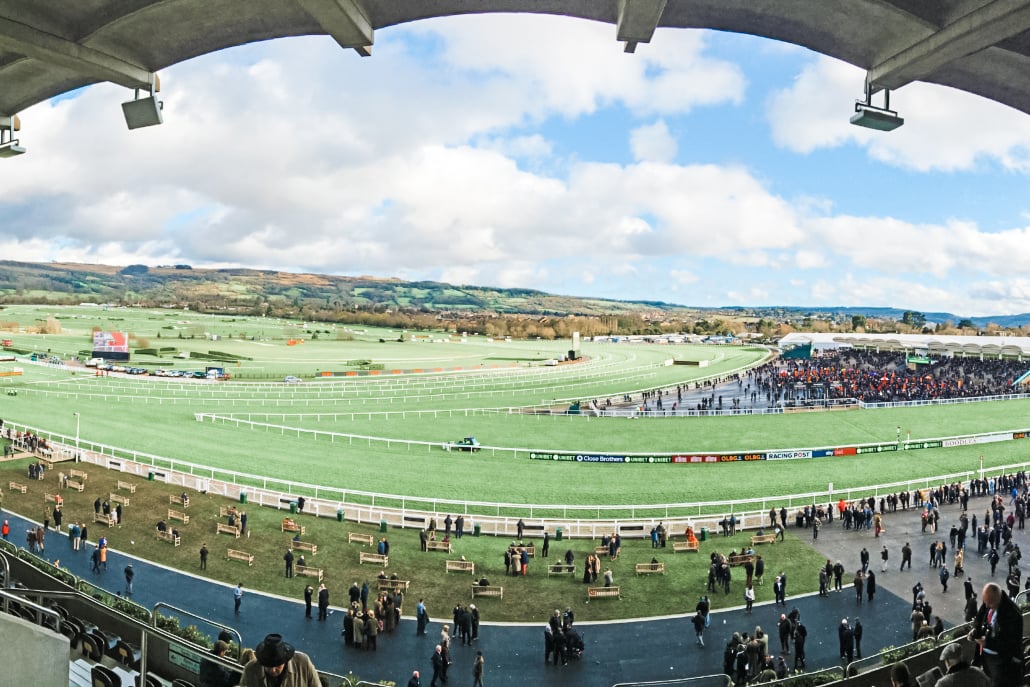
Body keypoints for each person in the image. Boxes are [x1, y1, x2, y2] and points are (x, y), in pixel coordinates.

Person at [970, 582, 1022, 687]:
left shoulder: (1013, 614)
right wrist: (975, 630)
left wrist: (987, 643)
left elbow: (1010, 645)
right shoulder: (989, 602)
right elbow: (979, 619)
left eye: (990, 603)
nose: (987, 606)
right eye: (985, 602)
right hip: (985, 654)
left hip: (1001, 660)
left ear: (998, 598)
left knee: (997, 682)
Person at [240, 633, 320, 687]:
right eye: (268, 666)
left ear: (286, 660)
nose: (273, 670)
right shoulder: (250, 670)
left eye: (277, 665)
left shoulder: (303, 663)